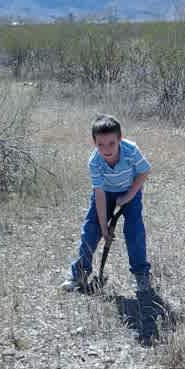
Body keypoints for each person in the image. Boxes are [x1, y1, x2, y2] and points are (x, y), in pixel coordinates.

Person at [62, 115, 152, 293]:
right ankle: (79, 274)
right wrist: (104, 227)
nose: (106, 149)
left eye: (111, 143)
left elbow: (144, 172)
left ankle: (141, 275)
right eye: (100, 144)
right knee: (90, 230)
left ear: (120, 138)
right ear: (94, 142)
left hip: (131, 190)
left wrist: (127, 197)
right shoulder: (94, 162)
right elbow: (100, 194)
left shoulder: (131, 150)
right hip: (105, 194)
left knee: (134, 230)